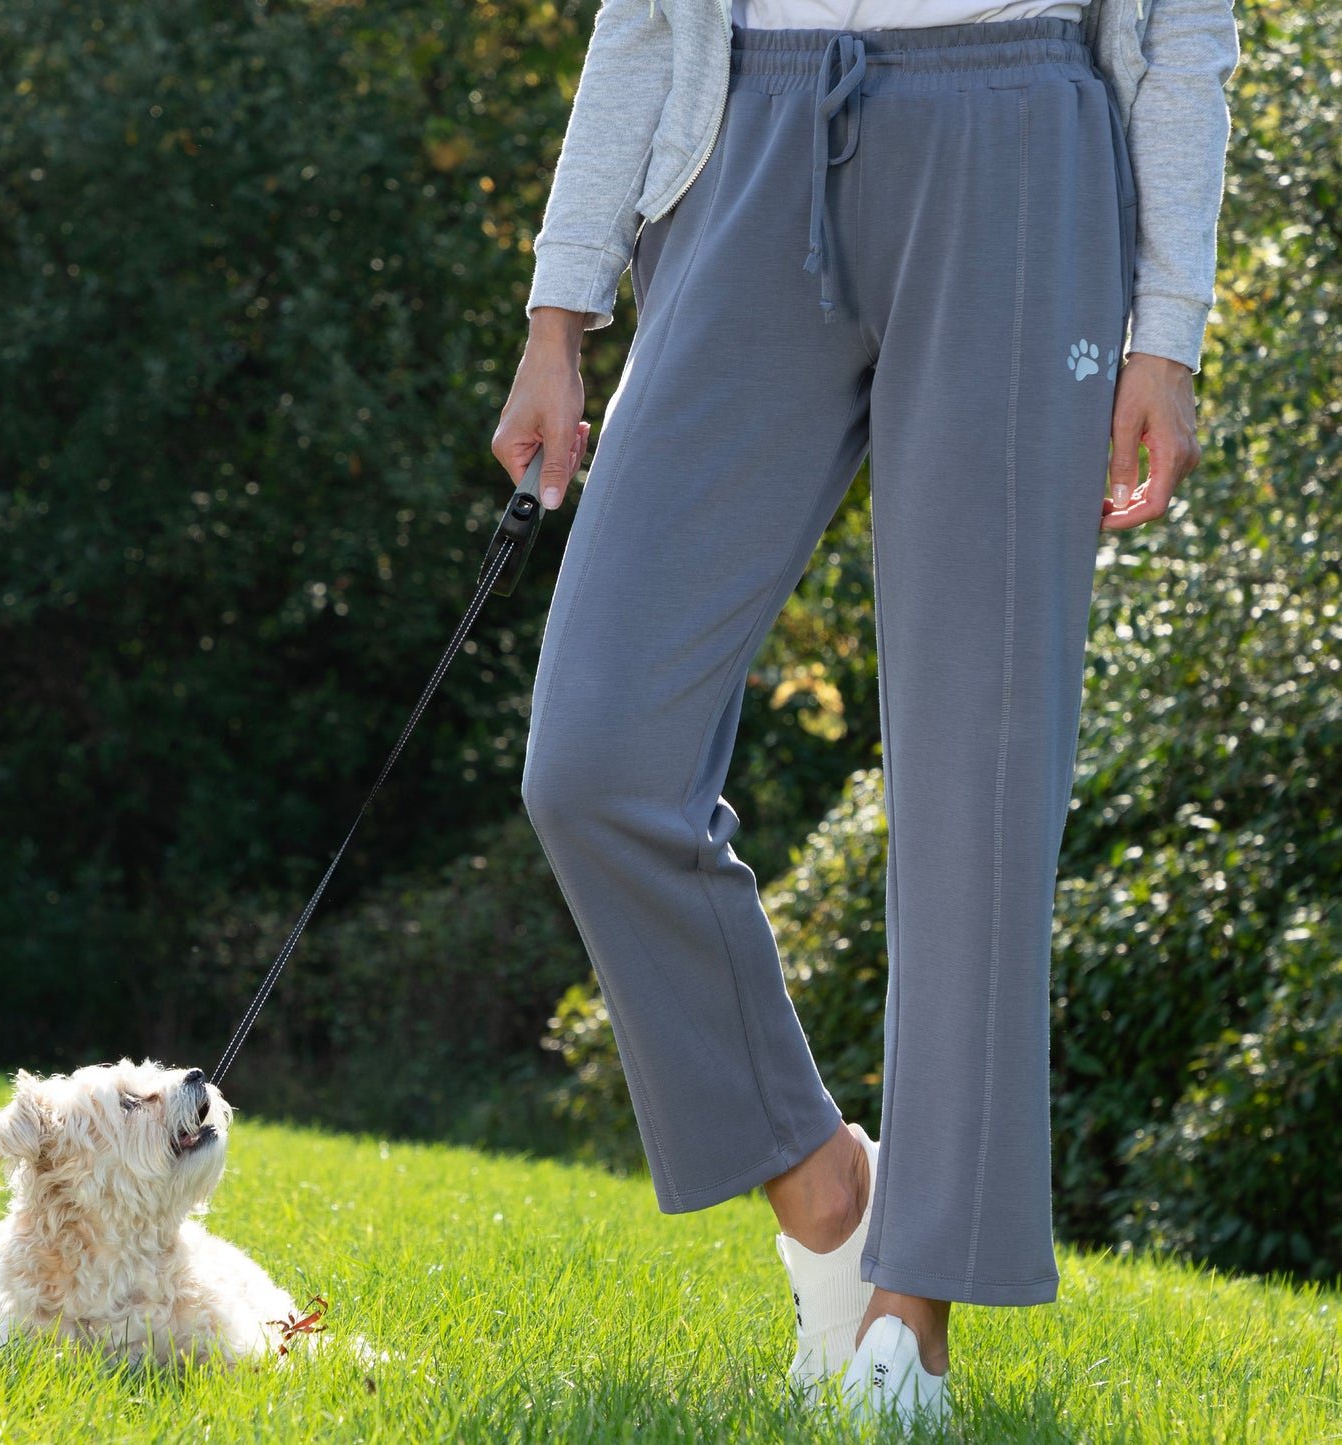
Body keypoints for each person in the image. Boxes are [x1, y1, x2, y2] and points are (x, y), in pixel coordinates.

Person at [493, 0, 1238, 1428]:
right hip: (744, 140)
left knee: (981, 764)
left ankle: (916, 1314)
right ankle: (820, 1176)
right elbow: (644, 20)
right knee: (592, 756)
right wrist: (558, 307)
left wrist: (1169, 326)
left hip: (1019, 138)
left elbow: (1183, 25)